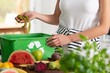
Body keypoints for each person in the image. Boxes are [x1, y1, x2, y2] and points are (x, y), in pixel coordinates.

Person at [15, 0, 110, 50]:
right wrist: (36, 15)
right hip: (61, 47)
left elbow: (104, 28)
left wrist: (69, 38)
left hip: (86, 48)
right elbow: (57, 18)